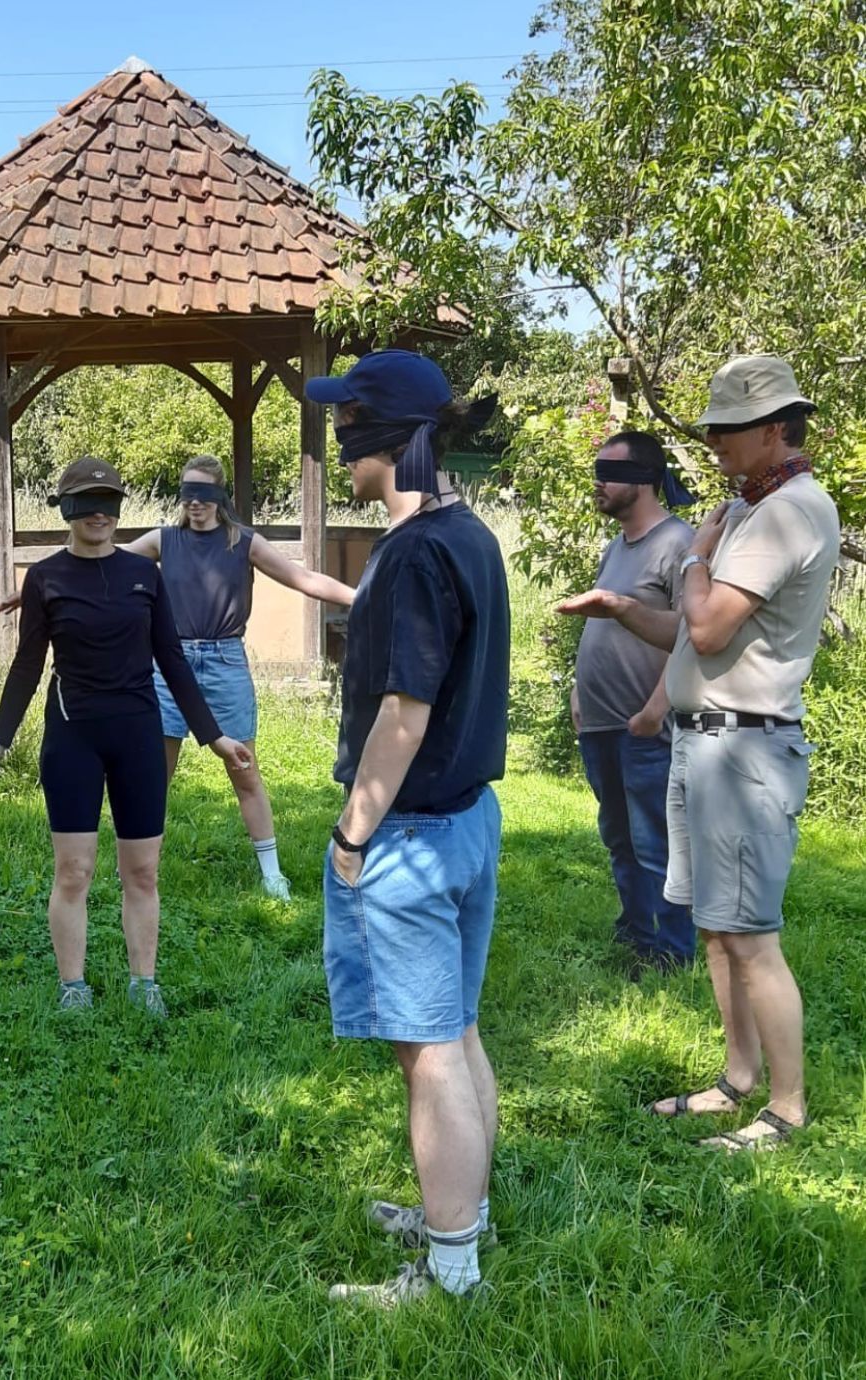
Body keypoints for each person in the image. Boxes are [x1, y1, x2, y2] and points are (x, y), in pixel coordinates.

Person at [559, 356, 840, 1151]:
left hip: (744, 750)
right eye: (711, 426)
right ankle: (736, 1080)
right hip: (706, 743)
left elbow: (708, 625)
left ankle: (785, 1110)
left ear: (777, 428)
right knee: (718, 931)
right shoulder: (755, 508)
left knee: (750, 937)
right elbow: (691, 628)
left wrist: (693, 557)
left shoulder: (788, 512)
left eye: (728, 427)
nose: (713, 439)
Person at [308, 350, 507, 1306]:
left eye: (346, 420)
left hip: (415, 837)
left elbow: (404, 710)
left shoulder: (419, 549)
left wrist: (352, 835)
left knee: (427, 1051)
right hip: (468, 821)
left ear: (383, 437)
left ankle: (450, 1269)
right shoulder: (464, 534)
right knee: (458, 1032)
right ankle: (460, 1209)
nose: (335, 438)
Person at [0, 459, 252, 1016]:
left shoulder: (145, 576)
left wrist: (214, 738)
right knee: (74, 870)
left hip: (138, 734)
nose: (99, 513)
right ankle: (73, 986)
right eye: (87, 501)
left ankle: (144, 983)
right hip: (73, 737)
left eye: (109, 501)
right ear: (65, 508)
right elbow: (25, 666)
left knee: (141, 871)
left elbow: (173, 662)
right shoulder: (46, 577)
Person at [125, 457, 356, 899]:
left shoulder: (242, 542)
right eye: (187, 494)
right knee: (154, 774)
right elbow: (104, 562)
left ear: (221, 497)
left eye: (204, 494)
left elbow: (302, 578)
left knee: (244, 770)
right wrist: (41, 583)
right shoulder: (163, 540)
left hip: (225, 661)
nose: (195, 504)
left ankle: (272, 875)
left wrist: (360, 597)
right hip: (169, 662)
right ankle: (139, 871)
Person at [572, 431, 695, 976]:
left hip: (646, 725)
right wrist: (579, 692)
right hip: (601, 721)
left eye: (609, 471)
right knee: (618, 835)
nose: (597, 482)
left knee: (655, 841)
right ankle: (637, 930)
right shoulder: (615, 547)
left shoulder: (679, 544)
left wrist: (655, 709)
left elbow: (693, 636)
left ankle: (673, 949)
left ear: (644, 480)